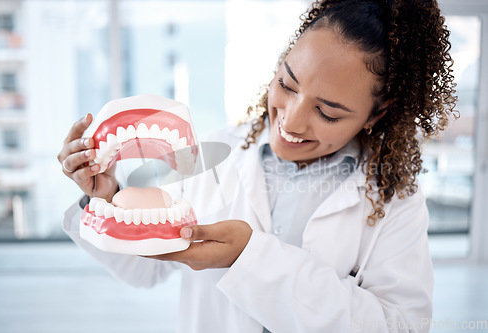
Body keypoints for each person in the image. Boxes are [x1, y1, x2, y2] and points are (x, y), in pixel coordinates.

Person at [57, 0, 457, 332]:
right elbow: (143, 270)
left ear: (377, 113)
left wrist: (249, 258)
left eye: (328, 112)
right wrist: (105, 199)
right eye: (287, 84)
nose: (292, 121)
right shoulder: (215, 152)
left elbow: (401, 325)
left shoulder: (394, 198)